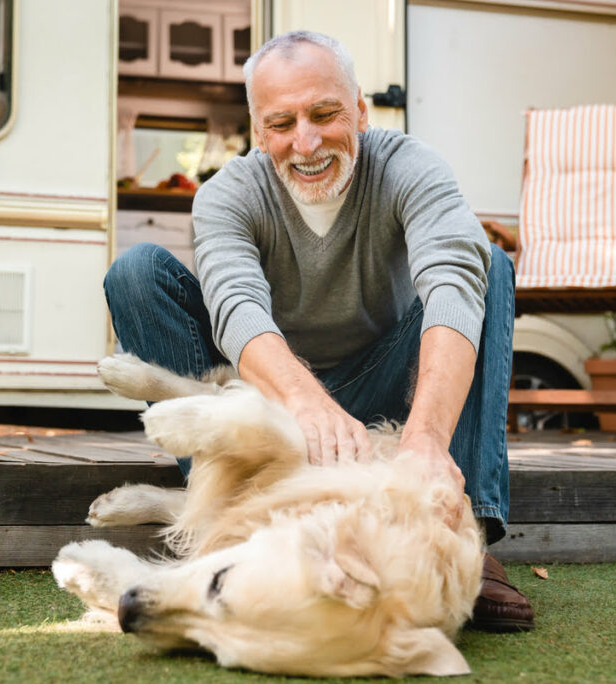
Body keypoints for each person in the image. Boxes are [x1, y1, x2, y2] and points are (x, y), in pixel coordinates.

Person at [104, 30, 533, 632]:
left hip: (390, 386)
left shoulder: (411, 166)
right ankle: (226, 517)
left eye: (324, 114)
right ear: (259, 132)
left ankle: (466, 529)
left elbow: (452, 288)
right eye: (282, 123)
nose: (305, 142)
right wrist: (306, 403)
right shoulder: (228, 194)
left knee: (490, 264)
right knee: (135, 273)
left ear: (360, 108)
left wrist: (427, 440)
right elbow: (235, 305)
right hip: (276, 403)